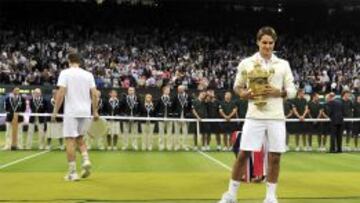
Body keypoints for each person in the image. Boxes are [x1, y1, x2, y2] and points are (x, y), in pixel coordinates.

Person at [218, 26, 297, 203]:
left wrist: (280, 92)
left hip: (276, 116)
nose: (267, 46)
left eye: (270, 43)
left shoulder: (283, 64)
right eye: (264, 42)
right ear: (258, 42)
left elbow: (292, 90)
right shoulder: (246, 63)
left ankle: (270, 197)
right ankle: (230, 195)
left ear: (274, 43)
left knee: (275, 157)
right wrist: (242, 94)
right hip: (254, 115)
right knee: (243, 154)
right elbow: (237, 86)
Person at [52, 53, 99, 181]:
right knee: (80, 138)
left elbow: (61, 92)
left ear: (69, 61)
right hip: (85, 112)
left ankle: (72, 173)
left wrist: (55, 110)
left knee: (70, 141)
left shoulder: (65, 73)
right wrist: (95, 111)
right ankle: (86, 160)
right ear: (80, 62)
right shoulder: (88, 74)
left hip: (71, 112)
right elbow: (95, 94)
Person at [173, 85, 192, 151]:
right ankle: (177, 146)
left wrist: (188, 114)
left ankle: (185, 146)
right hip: (177, 117)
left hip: (185, 116)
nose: (178, 90)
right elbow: (173, 107)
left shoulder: (188, 97)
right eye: (178, 89)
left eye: (180, 89)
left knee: (185, 132)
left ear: (183, 89)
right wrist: (174, 115)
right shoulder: (176, 97)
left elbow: (190, 107)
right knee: (176, 132)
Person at [155, 85, 174, 151]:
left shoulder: (171, 99)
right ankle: (161, 146)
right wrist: (158, 115)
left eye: (169, 90)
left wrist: (172, 115)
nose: (168, 91)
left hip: (169, 118)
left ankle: (169, 146)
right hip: (161, 118)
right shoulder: (160, 99)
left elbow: (173, 108)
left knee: (169, 133)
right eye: (167, 90)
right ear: (163, 90)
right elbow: (156, 108)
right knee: (161, 133)